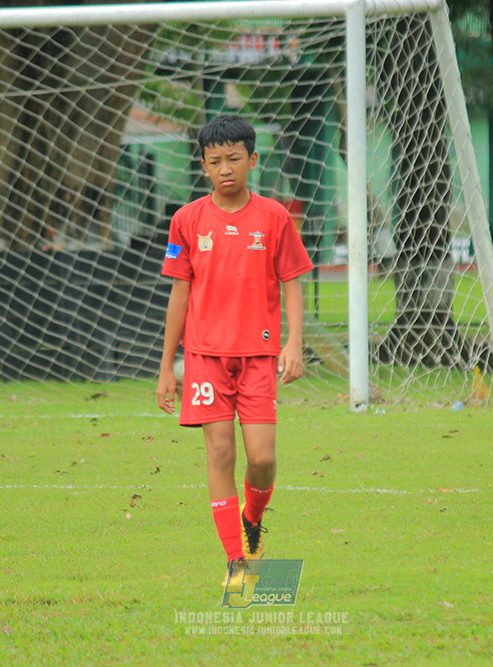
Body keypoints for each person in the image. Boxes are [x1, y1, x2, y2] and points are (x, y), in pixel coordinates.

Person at [155, 115, 313, 580]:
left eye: (234, 159)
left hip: (259, 358)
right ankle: (235, 560)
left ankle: (253, 519)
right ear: (203, 166)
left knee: (262, 458)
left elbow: (293, 281)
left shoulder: (275, 217)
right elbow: (178, 294)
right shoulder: (186, 221)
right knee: (221, 451)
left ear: (253, 160)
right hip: (205, 359)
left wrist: (294, 344)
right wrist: (167, 366)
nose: (225, 169)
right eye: (215, 161)